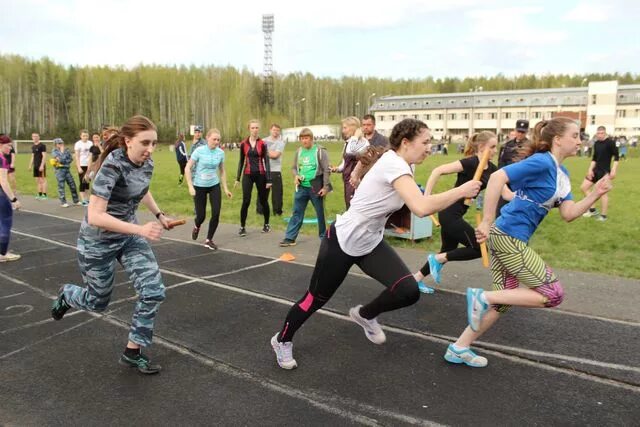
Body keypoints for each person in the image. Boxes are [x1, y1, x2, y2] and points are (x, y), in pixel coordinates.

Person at [270, 118, 481, 369]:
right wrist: (460, 190)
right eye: (425, 142)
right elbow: (422, 207)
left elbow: (371, 159)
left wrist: (358, 175)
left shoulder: (401, 163)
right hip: (342, 241)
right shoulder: (395, 165)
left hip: (370, 242)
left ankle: (365, 315)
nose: (429, 147)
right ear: (405, 142)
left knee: (408, 291)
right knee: (314, 299)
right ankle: (282, 339)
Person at [444, 118, 612, 368]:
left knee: (503, 302)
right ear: (558, 139)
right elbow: (498, 177)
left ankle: (459, 347)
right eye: (575, 136)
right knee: (553, 294)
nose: (580, 141)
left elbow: (568, 214)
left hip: (509, 238)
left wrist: (596, 194)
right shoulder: (542, 161)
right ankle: (482, 296)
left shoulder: (561, 174)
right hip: (506, 236)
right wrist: (487, 220)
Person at [51, 115, 174, 375]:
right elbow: (96, 216)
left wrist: (159, 215)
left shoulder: (146, 163)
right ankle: (68, 295)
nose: (150, 150)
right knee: (97, 302)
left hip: (128, 237)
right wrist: (140, 229)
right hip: (98, 241)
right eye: (145, 143)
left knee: (153, 291)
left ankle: (133, 351)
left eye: (154, 143)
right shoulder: (112, 166)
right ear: (128, 141)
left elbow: (142, 189)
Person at [413, 131, 501, 292]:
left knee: (447, 250)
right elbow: (437, 171)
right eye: (493, 147)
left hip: (457, 213)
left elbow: (504, 190)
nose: (496, 150)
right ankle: (437, 259)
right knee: (479, 248)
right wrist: (426, 197)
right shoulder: (470, 162)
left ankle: (416, 279)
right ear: (481, 147)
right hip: (449, 213)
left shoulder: (492, 169)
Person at [279, 128, 331, 247]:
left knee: (320, 213)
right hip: (301, 187)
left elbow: (326, 169)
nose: (304, 141)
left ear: (311, 139)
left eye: (306, 138)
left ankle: (324, 237)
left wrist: (325, 187)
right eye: (302, 139)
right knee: (297, 212)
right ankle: (290, 237)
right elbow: (293, 167)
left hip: (316, 186)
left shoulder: (320, 151)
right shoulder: (299, 151)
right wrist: (296, 175)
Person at [185, 128, 232, 250]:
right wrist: (190, 186)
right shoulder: (199, 151)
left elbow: (222, 171)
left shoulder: (220, 153)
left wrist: (226, 189)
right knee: (201, 216)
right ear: (207, 138)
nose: (216, 142)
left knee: (216, 213)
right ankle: (197, 226)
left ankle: (209, 239)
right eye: (214, 139)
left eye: (218, 140)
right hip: (199, 186)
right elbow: (187, 168)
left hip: (214, 185)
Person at [235, 119, 272, 236]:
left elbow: (267, 161)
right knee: (246, 201)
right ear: (249, 129)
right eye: (253, 128)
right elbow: (241, 161)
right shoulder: (243, 144)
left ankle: (266, 224)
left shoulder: (263, 144)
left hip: (261, 175)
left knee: (263, 201)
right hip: (248, 175)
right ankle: (242, 227)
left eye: (257, 128)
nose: (255, 130)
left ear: (258, 129)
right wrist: (237, 178)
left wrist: (269, 179)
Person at [580, 126, 619, 221]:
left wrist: (614, 170)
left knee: (602, 194)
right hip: (595, 170)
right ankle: (592, 210)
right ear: (596, 133)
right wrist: (590, 169)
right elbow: (594, 158)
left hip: (605, 172)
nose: (600, 135)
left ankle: (603, 216)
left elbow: (616, 157)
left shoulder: (610, 143)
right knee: (584, 187)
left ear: (605, 133)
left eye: (602, 133)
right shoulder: (596, 143)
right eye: (598, 133)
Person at [331, 117, 369, 209]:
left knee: (355, 207)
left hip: (357, 181)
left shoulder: (363, 142)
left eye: (345, 128)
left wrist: (355, 136)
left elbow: (350, 151)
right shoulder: (349, 142)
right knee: (348, 206)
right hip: (347, 180)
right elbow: (346, 161)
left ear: (353, 128)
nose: (343, 131)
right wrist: (338, 169)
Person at [0, 135, 22, 262]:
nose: (10, 148)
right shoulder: (2, 159)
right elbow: (3, 181)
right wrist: (14, 199)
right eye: (8, 145)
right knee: (5, 222)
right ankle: (2, 253)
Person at [258, 124, 285, 216]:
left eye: (277, 130)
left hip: (275, 170)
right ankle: (260, 211)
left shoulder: (281, 142)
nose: (275, 132)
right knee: (262, 191)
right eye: (274, 130)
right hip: (264, 169)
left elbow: (275, 155)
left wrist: (265, 151)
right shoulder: (263, 141)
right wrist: (268, 152)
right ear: (270, 130)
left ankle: (277, 211)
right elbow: (258, 153)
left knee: (277, 192)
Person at [51, 138, 80, 207]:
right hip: (59, 170)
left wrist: (64, 160)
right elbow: (60, 160)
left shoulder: (66, 150)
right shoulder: (54, 151)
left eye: (62, 143)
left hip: (67, 169)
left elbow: (70, 159)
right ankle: (63, 202)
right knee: (61, 186)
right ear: (55, 144)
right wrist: (62, 152)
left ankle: (76, 201)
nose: (61, 145)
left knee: (72, 185)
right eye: (59, 143)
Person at [74, 130, 92, 205]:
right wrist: (78, 167)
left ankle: (87, 199)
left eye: (86, 135)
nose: (85, 137)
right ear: (81, 136)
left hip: (89, 165)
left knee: (87, 182)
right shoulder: (78, 144)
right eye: (83, 136)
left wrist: (90, 166)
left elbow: (91, 155)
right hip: (81, 165)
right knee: (82, 182)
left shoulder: (90, 143)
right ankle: (83, 199)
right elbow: (77, 156)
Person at [29, 132, 48, 199]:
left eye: (36, 136)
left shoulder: (42, 146)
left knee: (43, 180)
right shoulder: (33, 146)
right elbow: (32, 156)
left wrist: (42, 165)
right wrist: (30, 165)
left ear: (39, 137)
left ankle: (44, 195)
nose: (35, 137)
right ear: (32, 137)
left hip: (41, 166)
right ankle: (39, 194)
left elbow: (44, 156)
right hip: (35, 166)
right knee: (37, 181)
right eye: (33, 136)